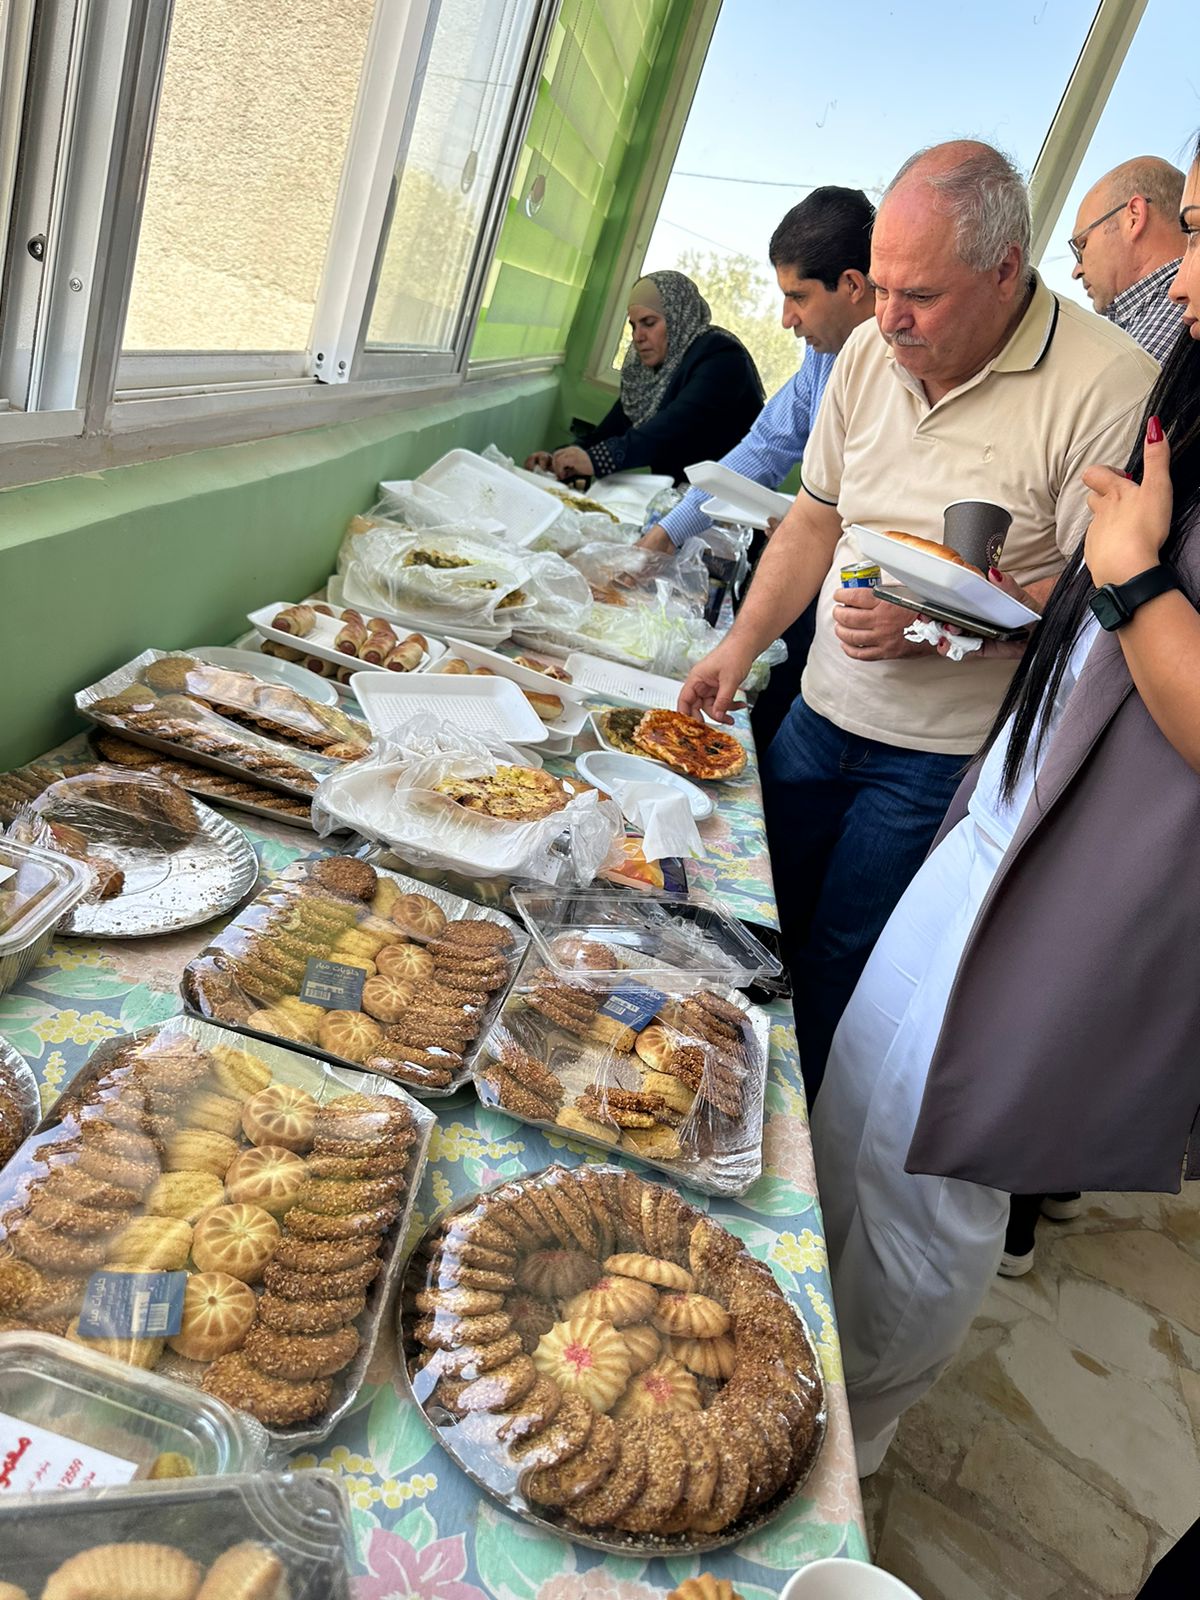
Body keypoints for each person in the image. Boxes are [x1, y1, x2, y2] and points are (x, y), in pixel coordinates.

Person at [812, 136, 1200, 1478]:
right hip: (1014, 795)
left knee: (939, 1163)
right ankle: (807, 1359)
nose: (1181, 279)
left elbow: (1141, 632)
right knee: (861, 1094)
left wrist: (1130, 577)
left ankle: (852, 1435)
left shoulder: (1110, 377)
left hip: (1090, 860)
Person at [678, 141, 1156, 1099]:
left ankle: (781, 1146)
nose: (890, 318)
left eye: (923, 297)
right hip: (818, 713)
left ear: (1004, 271)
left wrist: (936, 619)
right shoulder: (866, 349)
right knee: (744, 918)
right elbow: (815, 520)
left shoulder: (1108, 384)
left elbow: (1088, 608)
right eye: (883, 287)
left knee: (839, 966)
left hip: (936, 760)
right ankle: (690, 1088)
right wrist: (739, 645)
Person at [636, 189, 876, 745]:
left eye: (798, 297)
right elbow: (765, 448)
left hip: (857, 609)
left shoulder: (896, 365)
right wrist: (666, 535)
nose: (787, 319)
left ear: (852, 285)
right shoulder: (822, 357)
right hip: (806, 572)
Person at [523, 270, 763, 486]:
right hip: (677, 495)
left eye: (649, 323)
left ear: (677, 317)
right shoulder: (647, 370)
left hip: (730, 504)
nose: (638, 336)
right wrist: (561, 458)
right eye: (634, 326)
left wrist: (596, 460)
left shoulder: (721, 358)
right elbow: (611, 431)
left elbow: (671, 428)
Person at [1070, 156, 1187, 362]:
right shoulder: (1151, 319)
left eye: (1083, 244)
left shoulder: (1175, 314)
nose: (1076, 271)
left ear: (1134, 217)